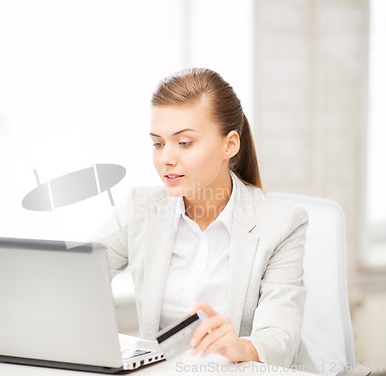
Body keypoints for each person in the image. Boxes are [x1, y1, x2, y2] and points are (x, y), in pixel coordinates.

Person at [100, 67, 313, 369]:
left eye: (184, 142)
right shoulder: (140, 209)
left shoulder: (282, 223)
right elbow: (75, 277)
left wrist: (241, 346)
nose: (165, 158)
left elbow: (280, 336)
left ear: (230, 145)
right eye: (158, 143)